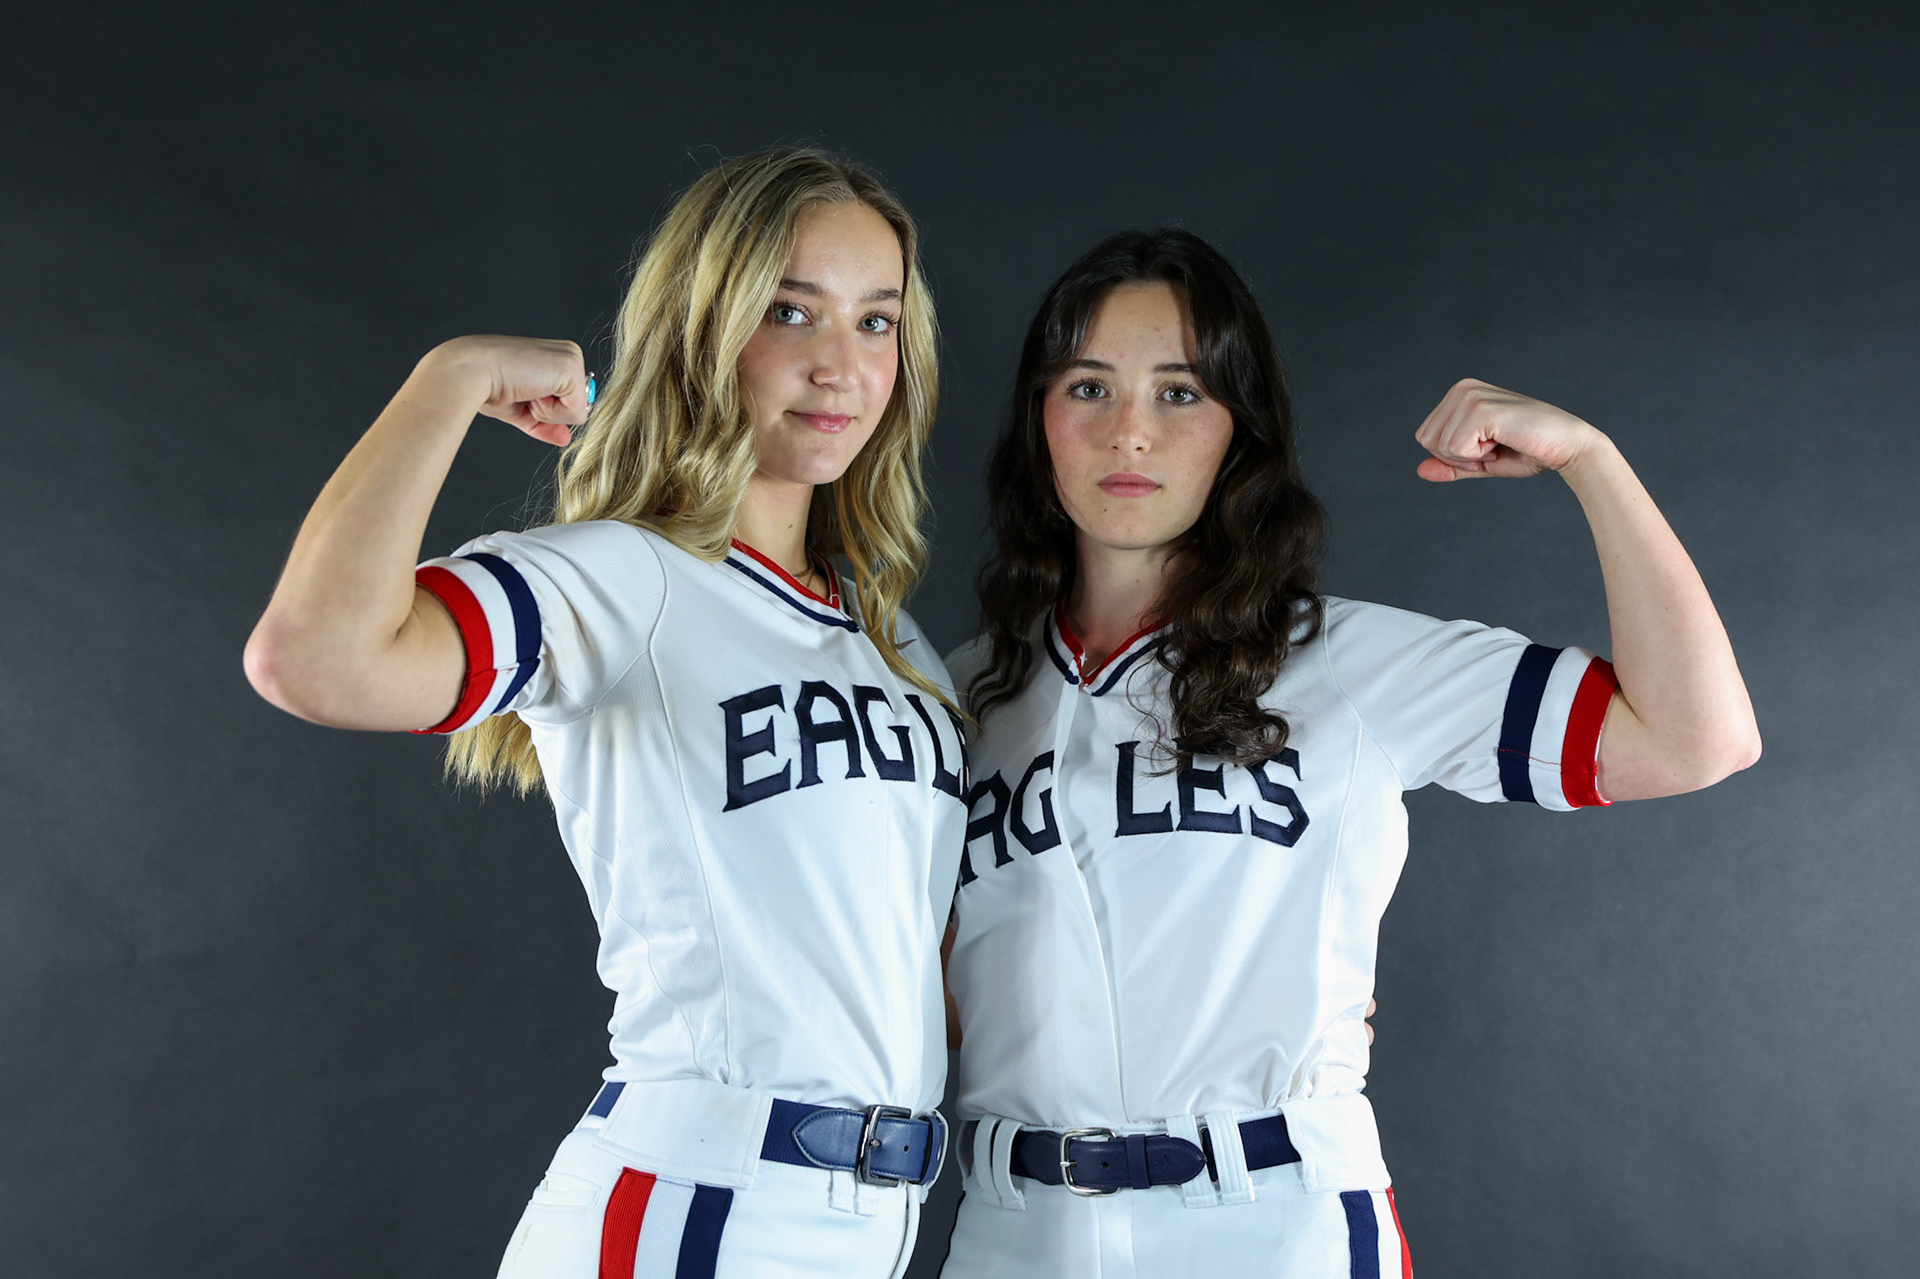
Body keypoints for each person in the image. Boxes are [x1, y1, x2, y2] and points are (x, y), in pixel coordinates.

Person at [938, 229, 1760, 1278]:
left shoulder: (1346, 661)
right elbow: (916, 990)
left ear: (1241, 430)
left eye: (1181, 392)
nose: (1129, 431)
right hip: (1017, 1226)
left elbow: (1695, 737)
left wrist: (1589, 461)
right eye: (1088, 387)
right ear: (1039, 420)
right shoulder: (956, 695)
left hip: (1271, 1221)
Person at [244, 148, 968, 1279]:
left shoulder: (900, 647)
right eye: (790, 311)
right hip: (696, 1209)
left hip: (873, 1222)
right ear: (701, 331)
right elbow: (314, 659)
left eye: (876, 321)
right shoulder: (624, 578)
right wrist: (447, 380)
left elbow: (918, 961)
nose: (840, 365)